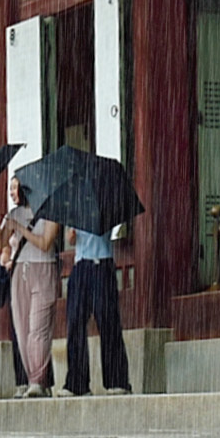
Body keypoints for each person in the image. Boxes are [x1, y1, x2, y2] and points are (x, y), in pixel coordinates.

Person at [59, 128, 133, 396]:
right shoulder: (75, 204)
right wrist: (72, 231)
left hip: (102, 264)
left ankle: (117, 381)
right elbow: (70, 239)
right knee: (75, 323)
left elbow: (108, 228)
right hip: (81, 266)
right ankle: (77, 383)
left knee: (108, 321)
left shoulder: (107, 201)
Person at [0, 181, 66, 398]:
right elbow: (0, 245)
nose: (13, 192)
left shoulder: (50, 211)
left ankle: (37, 381)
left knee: (39, 328)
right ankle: (33, 380)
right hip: (20, 272)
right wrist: (0, 226)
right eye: (10, 188)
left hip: (43, 269)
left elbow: (45, 243)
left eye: (16, 188)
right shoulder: (14, 213)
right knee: (22, 329)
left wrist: (20, 228)